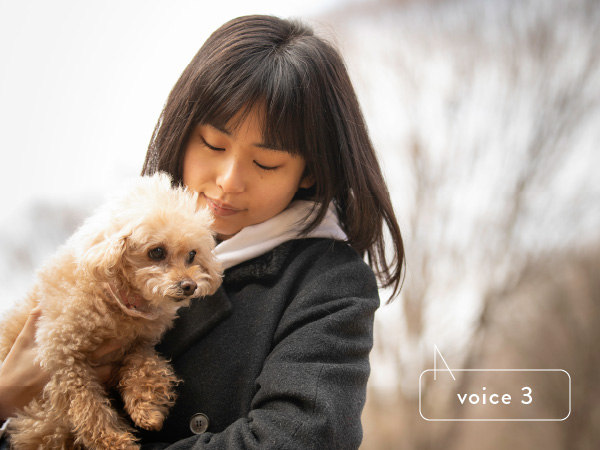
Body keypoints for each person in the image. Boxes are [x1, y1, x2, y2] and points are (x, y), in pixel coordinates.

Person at [0, 14, 404, 449]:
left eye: (265, 162)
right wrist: (5, 397)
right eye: (213, 144)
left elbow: (298, 439)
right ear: (183, 129)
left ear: (310, 173)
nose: (229, 180)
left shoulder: (328, 285)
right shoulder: (121, 243)